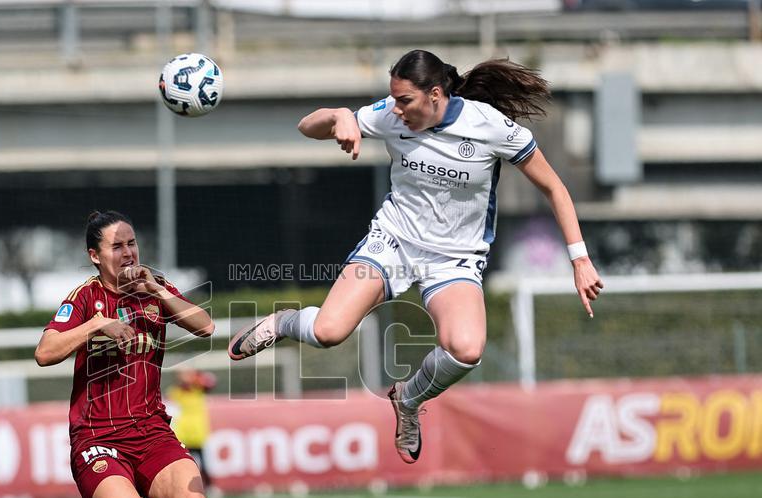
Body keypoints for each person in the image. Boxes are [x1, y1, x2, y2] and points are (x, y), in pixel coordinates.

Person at [228, 50, 604, 463]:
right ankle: (282, 322)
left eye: (405, 100)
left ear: (436, 94)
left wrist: (579, 259)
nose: (397, 108)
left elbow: (554, 188)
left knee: (466, 349)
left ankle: (407, 399)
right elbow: (306, 127)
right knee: (327, 333)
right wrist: (340, 116)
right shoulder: (390, 115)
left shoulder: (489, 126)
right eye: (394, 99)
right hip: (393, 243)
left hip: (454, 258)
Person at [35, 210, 239, 498]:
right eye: (117, 246)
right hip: (96, 437)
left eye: (132, 243)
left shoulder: (154, 287)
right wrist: (94, 327)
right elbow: (44, 352)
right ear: (95, 256)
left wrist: (159, 292)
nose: (128, 253)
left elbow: (204, 327)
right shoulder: (85, 298)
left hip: (150, 430)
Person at [168, 369, 218, 492]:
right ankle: (181, 487)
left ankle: (210, 487)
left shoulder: (198, 391)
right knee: (183, 464)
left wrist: (195, 377)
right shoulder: (176, 392)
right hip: (183, 434)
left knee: (205, 464)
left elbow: (210, 383)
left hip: (198, 434)